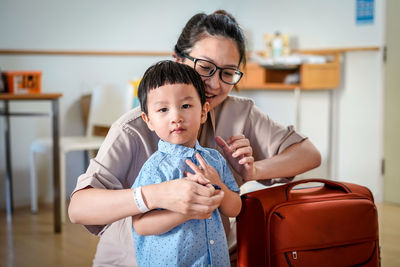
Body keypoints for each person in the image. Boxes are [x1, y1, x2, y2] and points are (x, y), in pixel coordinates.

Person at [68, 9, 321, 267]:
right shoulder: (134, 127)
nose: (214, 83)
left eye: (227, 73)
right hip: (133, 260)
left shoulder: (239, 113)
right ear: (179, 60)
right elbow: (78, 207)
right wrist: (155, 196)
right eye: (205, 67)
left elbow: (308, 153)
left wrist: (254, 170)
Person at [131, 60, 241, 266]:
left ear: (203, 112)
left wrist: (220, 186)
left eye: (186, 106)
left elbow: (235, 209)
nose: (176, 117)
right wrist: (184, 213)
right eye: (163, 109)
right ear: (148, 120)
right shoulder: (155, 169)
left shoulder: (214, 159)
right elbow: (141, 226)